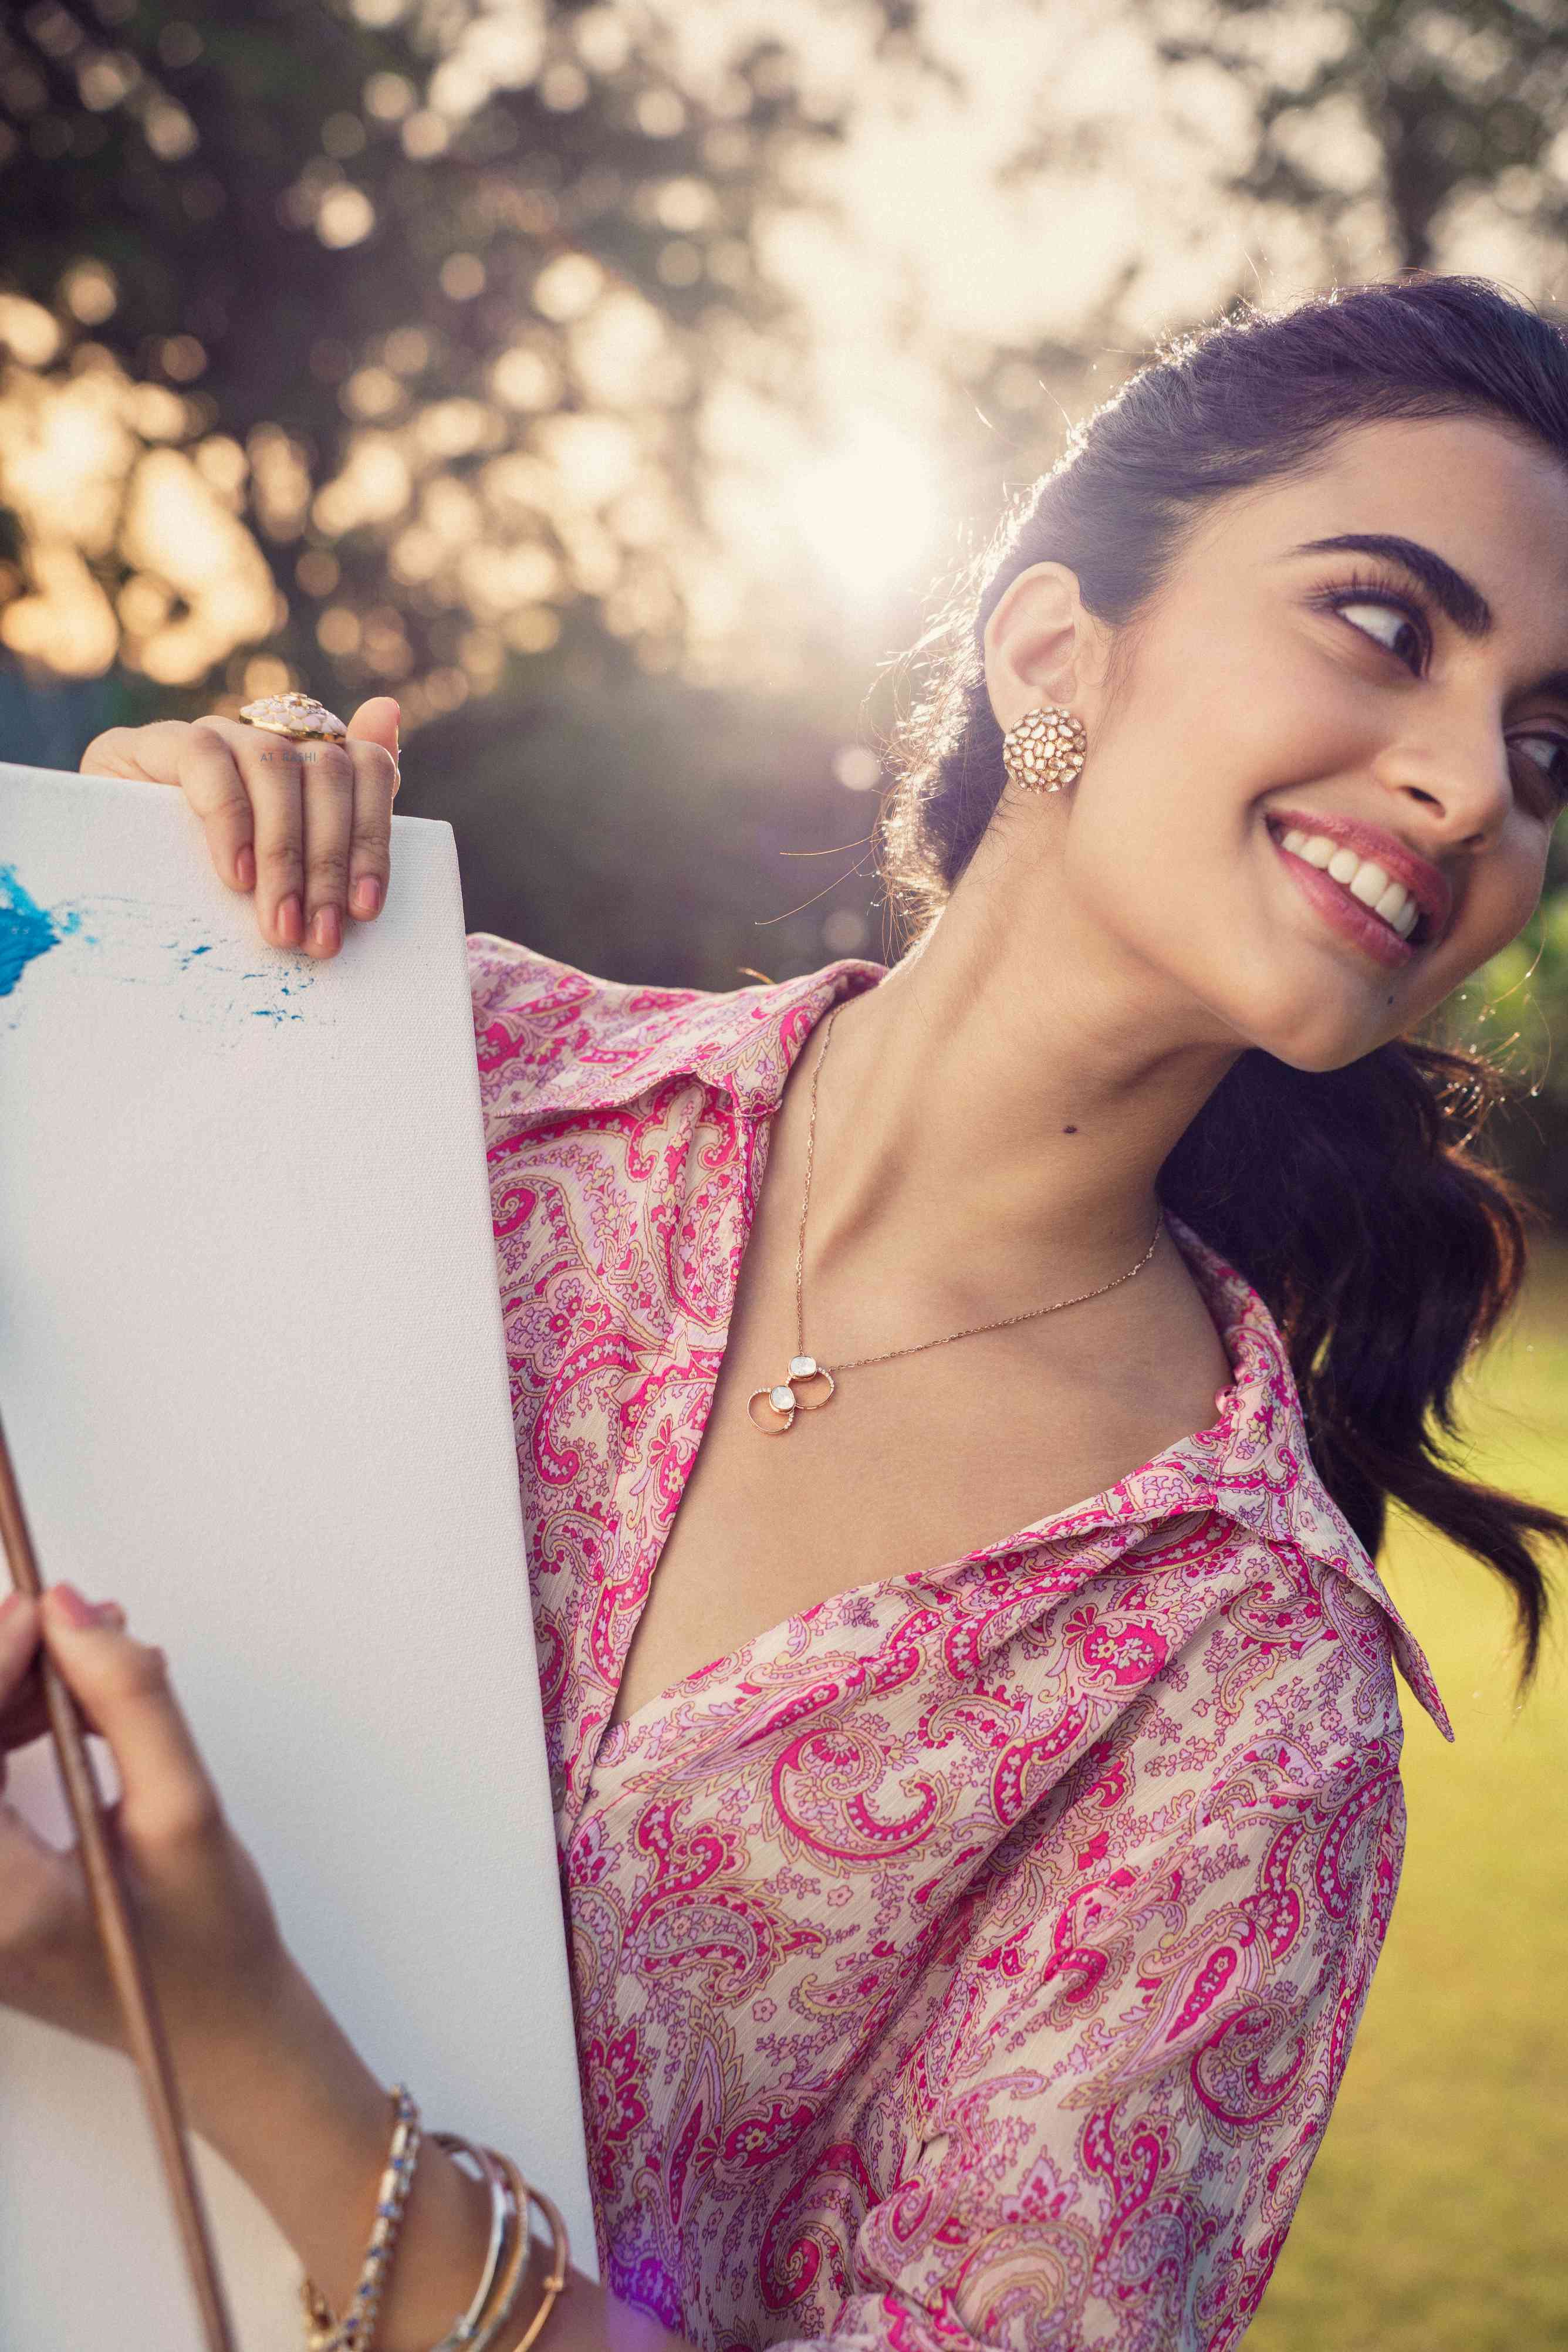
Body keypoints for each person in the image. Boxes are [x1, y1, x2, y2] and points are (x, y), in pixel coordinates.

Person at [4, 271, 1567, 2352]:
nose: (1477, 788)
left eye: (1553, 750)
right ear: (1049, 650)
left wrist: (240, 2049)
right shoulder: (450, 1083)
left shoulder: (1241, 1679)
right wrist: (112, 938)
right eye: (1388, 623)